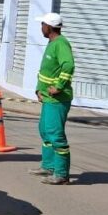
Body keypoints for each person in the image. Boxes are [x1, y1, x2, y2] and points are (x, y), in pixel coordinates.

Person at [28, 12, 75, 185]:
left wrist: (59, 86)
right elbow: (46, 71)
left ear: (49, 26)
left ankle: (62, 174)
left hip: (58, 100)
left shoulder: (61, 44)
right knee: (45, 131)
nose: (41, 27)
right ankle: (48, 166)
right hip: (47, 98)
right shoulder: (52, 43)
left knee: (55, 134)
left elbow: (68, 65)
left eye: (42, 25)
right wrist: (39, 90)